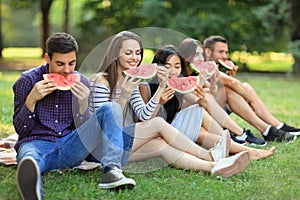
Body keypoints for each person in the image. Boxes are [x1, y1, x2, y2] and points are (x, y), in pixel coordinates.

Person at [89, 30, 250, 178]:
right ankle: (211, 155)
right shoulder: (101, 81)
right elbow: (102, 126)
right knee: (158, 123)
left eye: (138, 53)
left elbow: (145, 116)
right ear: (115, 54)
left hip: (122, 147)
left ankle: (213, 166)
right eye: (128, 53)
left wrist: (160, 90)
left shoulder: (132, 80)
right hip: (104, 148)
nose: (135, 57)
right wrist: (123, 97)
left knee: (162, 146)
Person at [13, 32, 138, 200]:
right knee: (29, 158)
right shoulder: (27, 81)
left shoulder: (81, 82)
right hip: (37, 143)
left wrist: (83, 105)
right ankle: (32, 188)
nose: (66, 70)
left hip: (71, 146)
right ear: (47, 58)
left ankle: (112, 171)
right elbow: (21, 130)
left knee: (111, 108)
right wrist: (31, 100)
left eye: (71, 63)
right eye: (59, 63)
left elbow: (85, 134)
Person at [138, 44, 275, 160]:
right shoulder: (146, 87)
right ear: (157, 66)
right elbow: (144, 121)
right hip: (160, 135)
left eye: (177, 66)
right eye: (167, 66)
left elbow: (198, 101)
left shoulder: (179, 86)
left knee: (199, 113)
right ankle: (243, 146)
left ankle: (238, 148)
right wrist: (159, 101)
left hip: (179, 132)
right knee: (200, 124)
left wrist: (202, 85)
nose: (173, 71)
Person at [203, 35, 299, 142]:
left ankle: (277, 125)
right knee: (232, 90)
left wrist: (229, 77)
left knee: (246, 87)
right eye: (220, 52)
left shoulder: (214, 66)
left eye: (226, 52)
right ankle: (267, 129)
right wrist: (251, 101)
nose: (225, 56)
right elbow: (232, 83)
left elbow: (223, 86)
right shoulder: (205, 65)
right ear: (208, 51)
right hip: (207, 110)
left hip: (217, 106)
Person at [178, 38, 266, 146]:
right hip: (182, 115)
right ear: (186, 56)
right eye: (196, 54)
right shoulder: (179, 74)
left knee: (208, 94)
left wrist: (214, 80)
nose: (200, 58)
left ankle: (236, 134)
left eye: (201, 55)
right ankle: (240, 133)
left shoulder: (196, 73)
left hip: (200, 111)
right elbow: (191, 97)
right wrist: (202, 84)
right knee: (206, 96)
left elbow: (211, 93)